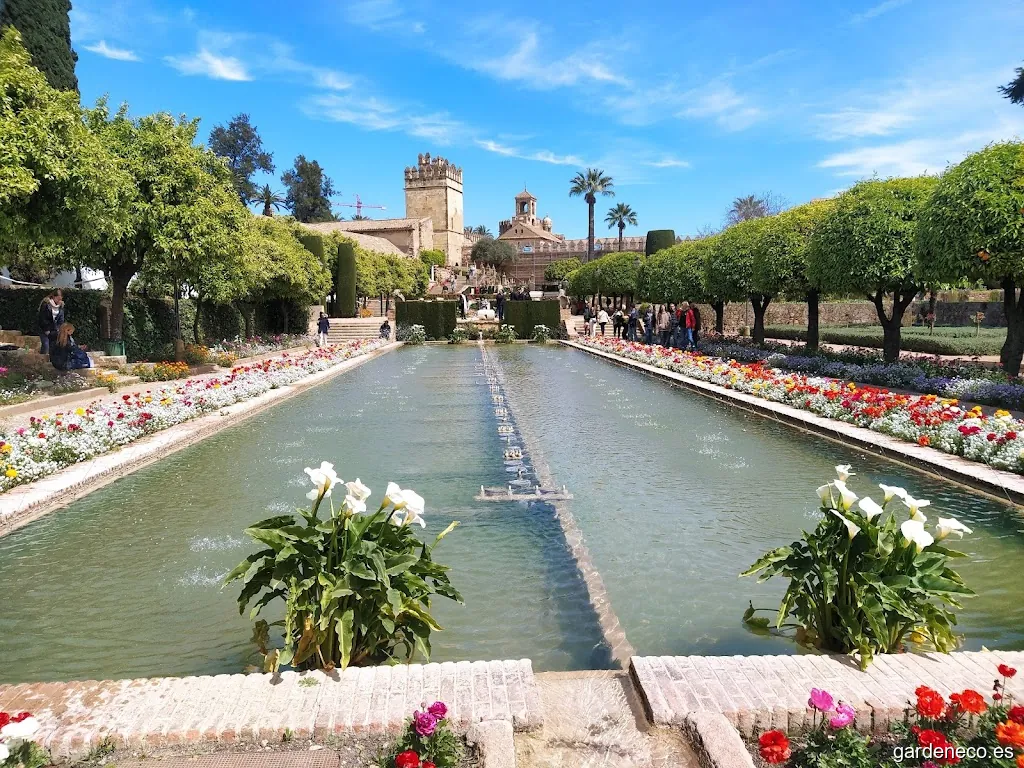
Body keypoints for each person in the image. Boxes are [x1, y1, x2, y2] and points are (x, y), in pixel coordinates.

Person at [37, 288, 64, 354]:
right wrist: (47, 330)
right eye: (58, 298)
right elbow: (42, 318)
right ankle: (42, 359)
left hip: (54, 330)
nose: (60, 300)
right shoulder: (46, 305)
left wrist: (58, 329)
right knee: (46, 346)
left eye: (61, 299)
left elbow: (61, 320)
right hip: (44, 329)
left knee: (53, 348)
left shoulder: (61, 306)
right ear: (54, 297)